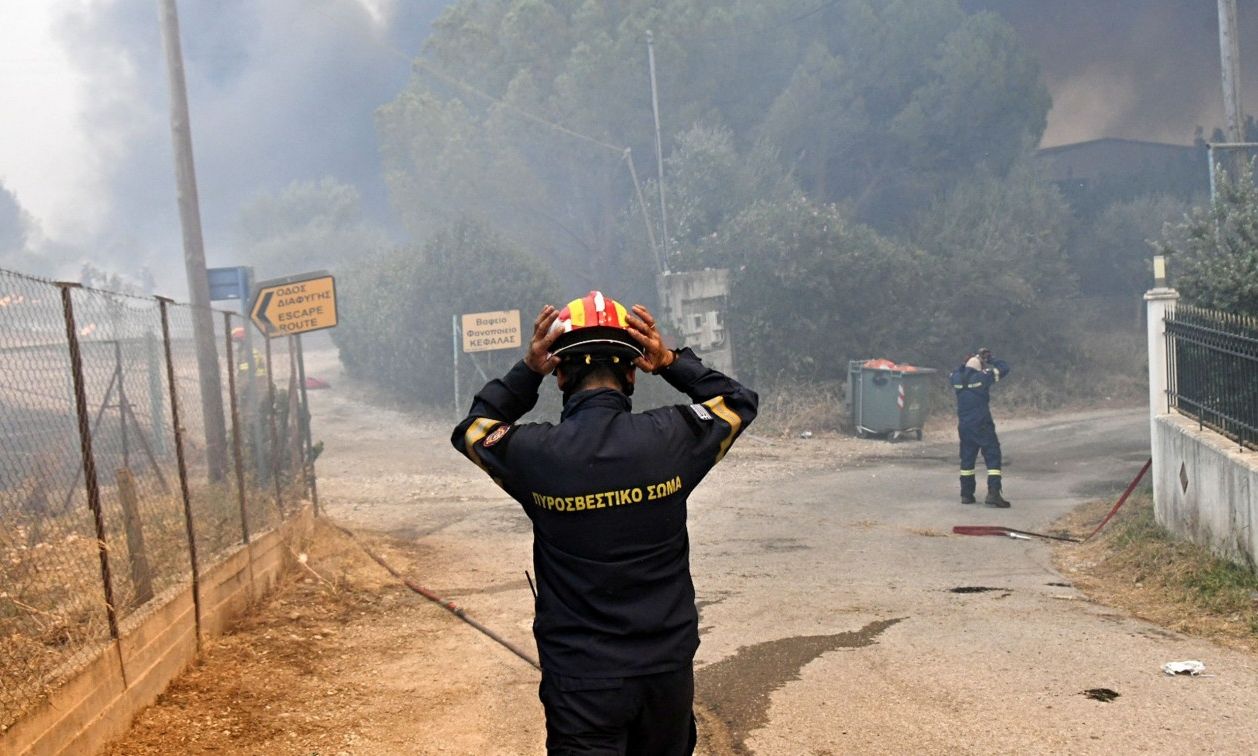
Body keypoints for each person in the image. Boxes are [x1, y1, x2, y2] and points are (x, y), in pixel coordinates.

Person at [451, 291, 758, 755]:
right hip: (665, 673)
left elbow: (474, 429)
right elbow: (737, 400)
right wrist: (672, 360)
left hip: (581, 679)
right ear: (633, 372)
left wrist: (526, 370)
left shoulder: (536, 454)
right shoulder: (672, 437)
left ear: (560, 375)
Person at [949, 347, 1011, 507]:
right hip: (982, 424)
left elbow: (956, 371)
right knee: (993, 456)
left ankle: (966, 494)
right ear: (980, 367)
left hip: (964, 426)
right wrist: (990, 359)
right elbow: (1004, 368)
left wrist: (968, 362)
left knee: (967, 460)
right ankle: (994, 493)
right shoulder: (983, 378)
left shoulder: (956, 379)